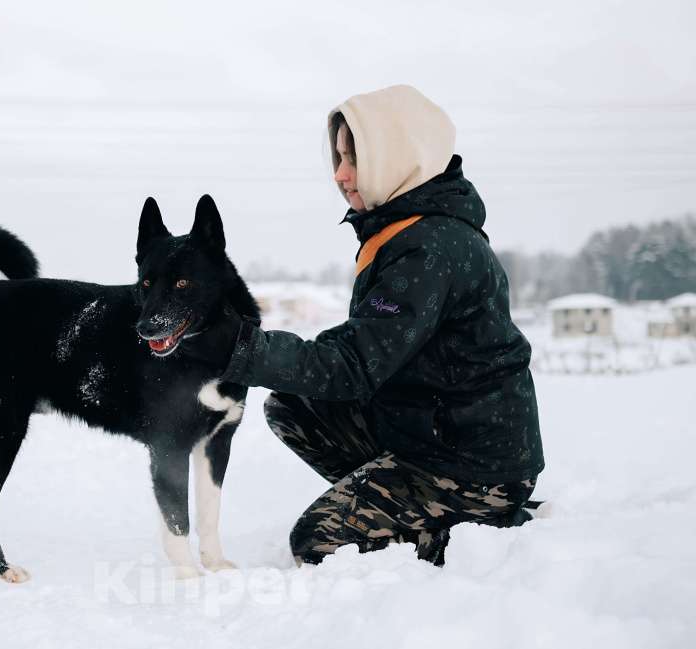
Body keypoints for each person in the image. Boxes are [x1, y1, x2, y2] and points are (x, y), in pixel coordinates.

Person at [188, 84, 544, 566]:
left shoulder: (429, 247)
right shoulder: (410, 229)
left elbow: (352, 364)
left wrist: (238, 348)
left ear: (398, 156)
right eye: (337, 158)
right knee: (295, 407)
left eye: (355, 159)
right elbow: (370, 347)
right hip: (433, 432)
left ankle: (477, 531)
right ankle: (403, 502)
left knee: (318, 542)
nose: (340, 175)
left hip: (473, 466)